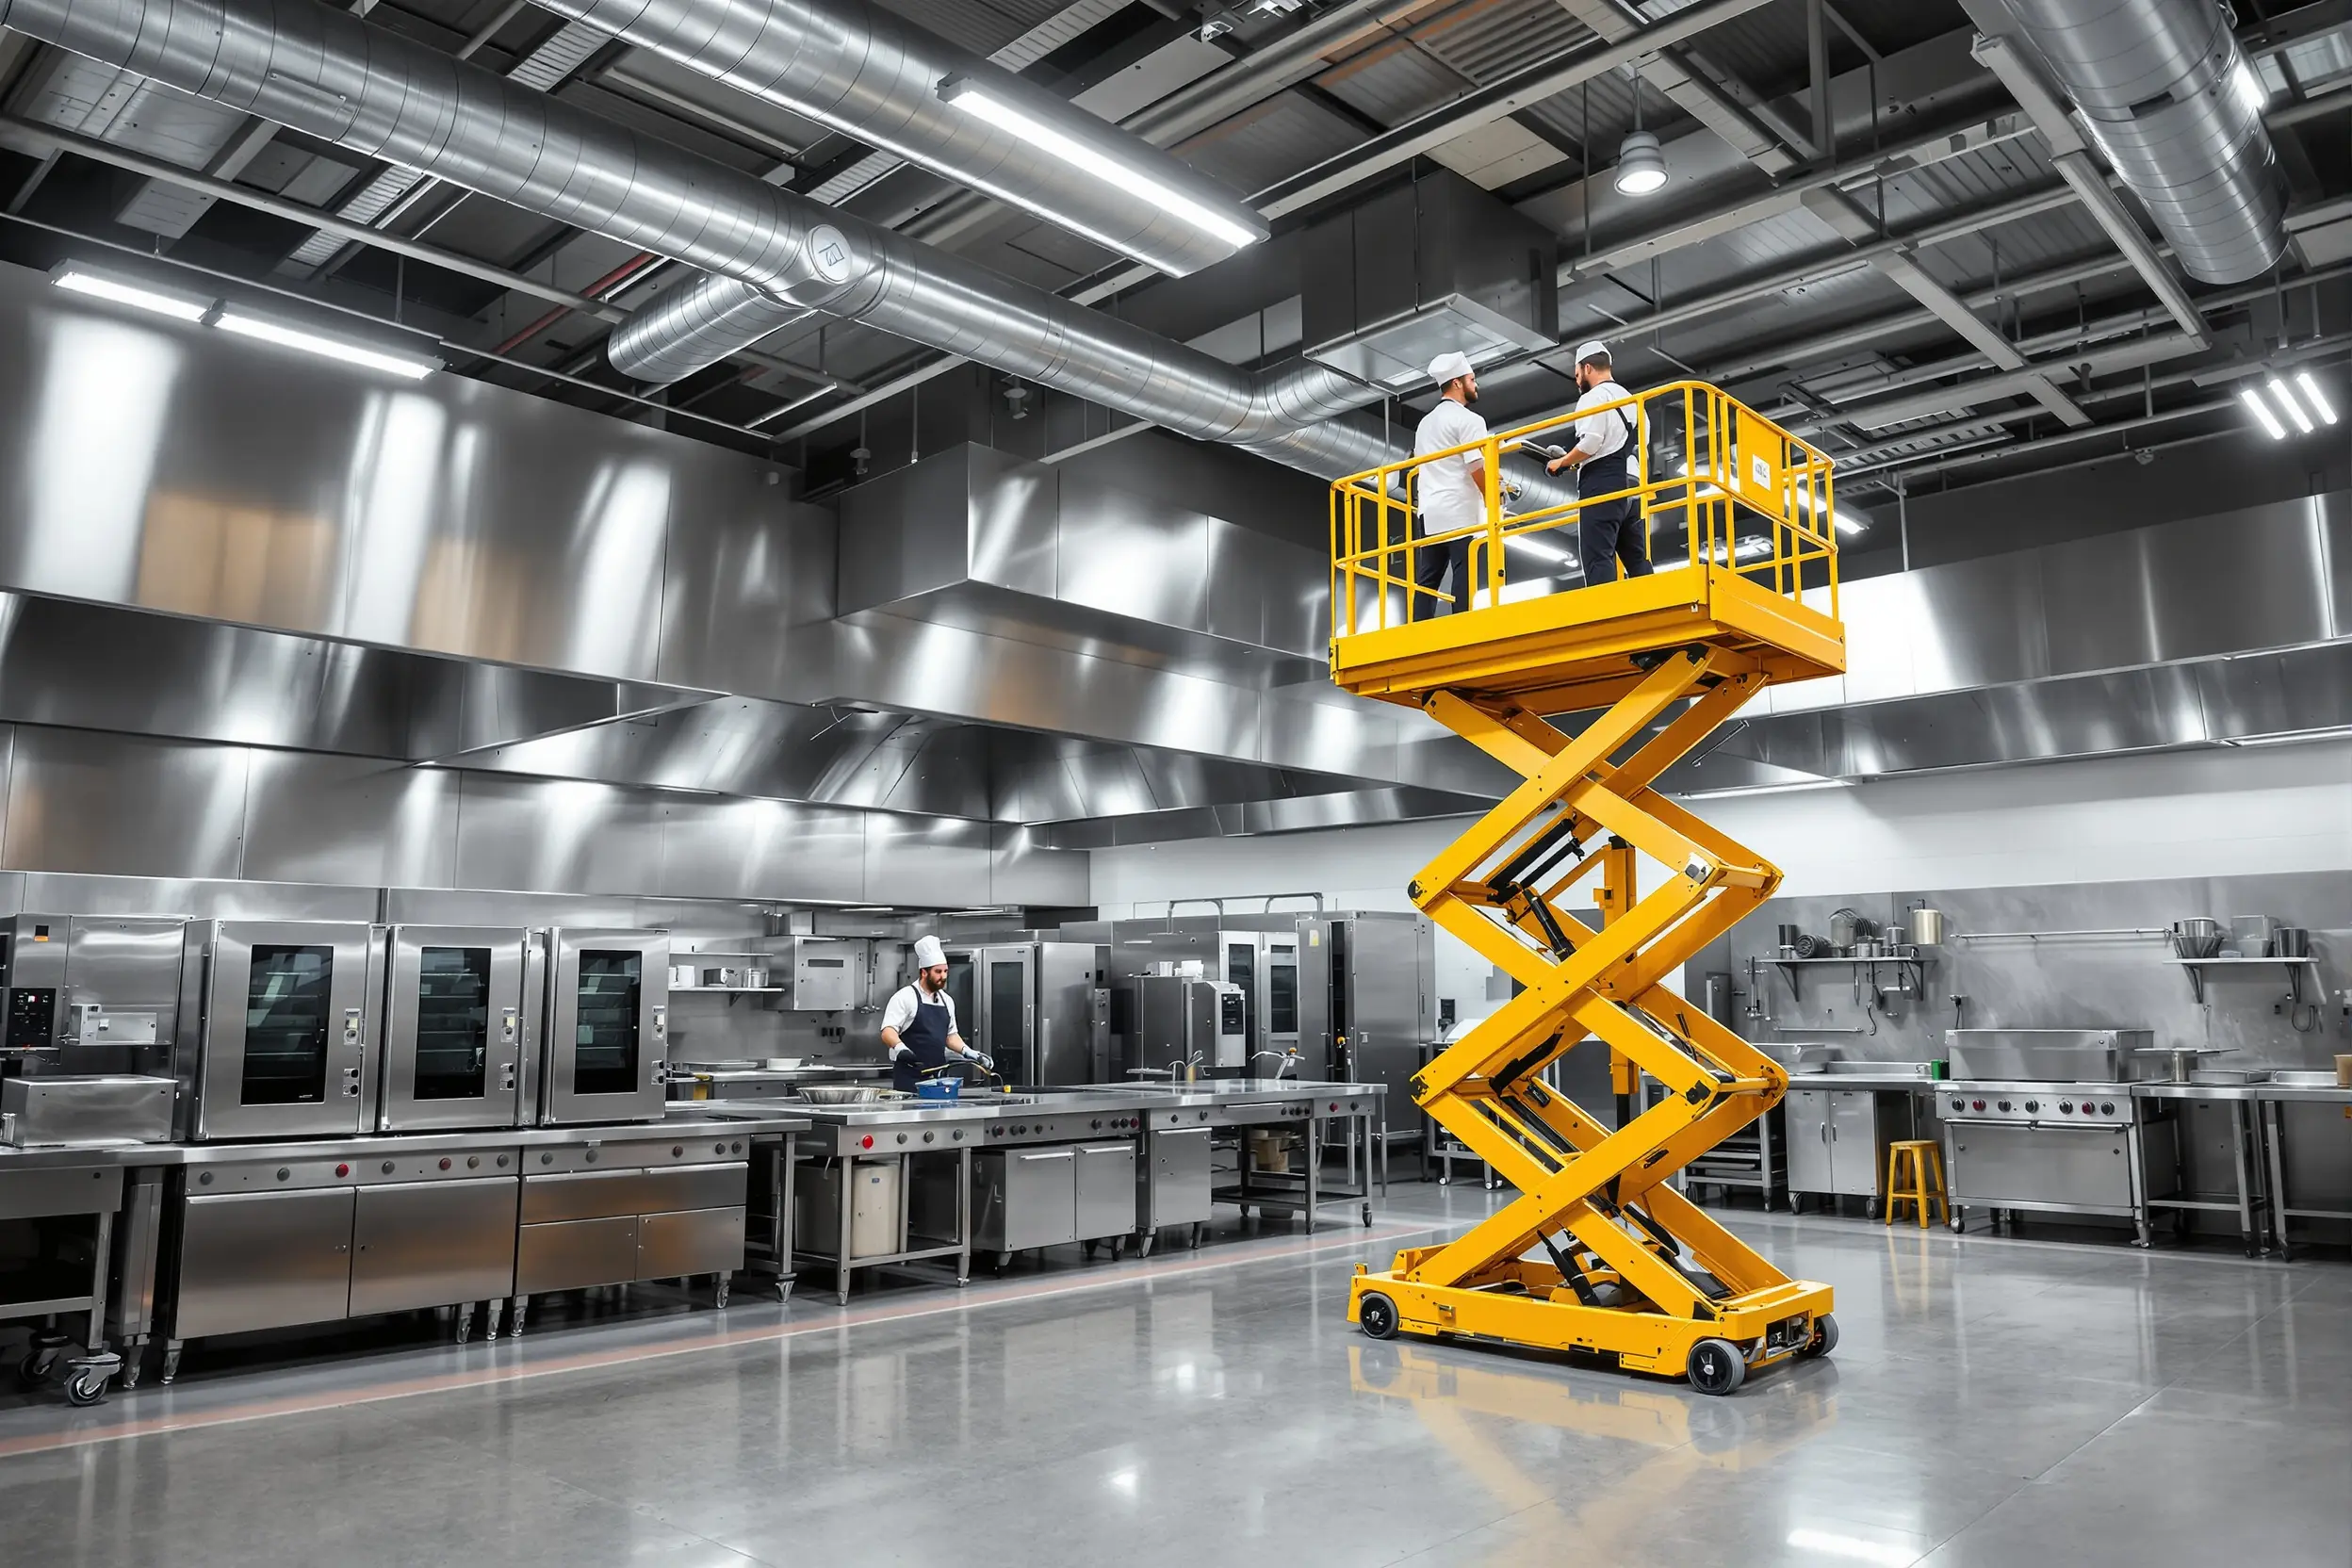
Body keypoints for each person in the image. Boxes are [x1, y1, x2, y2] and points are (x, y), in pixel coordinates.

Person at [1546, 340, 1654, 586]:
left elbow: (1590, 444)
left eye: (1576, 375)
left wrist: (1561, 462)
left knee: (1598, 556)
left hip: (1604, 485)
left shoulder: (1592, 398)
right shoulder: (1635, 402)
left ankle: (1605, 618)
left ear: (1587, 368)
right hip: (1635, 486)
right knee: (1636, 557)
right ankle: (1653, 605)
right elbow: (1638, 448)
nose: (1577, 382)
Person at [1410, 351, 1491, 619]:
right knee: (1464, 571)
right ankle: (1464, 623)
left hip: (1430, 512)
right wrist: (1494, 497)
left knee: (1428, 578)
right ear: (1457, 383)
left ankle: (1418, 629)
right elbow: (1475, 466)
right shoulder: (1470, 420)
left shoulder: (1425, 423)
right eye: (1471, 379)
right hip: (1460, 510)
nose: (1475, 384)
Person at [880, 936, 991, 1091]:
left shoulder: (947, 1001)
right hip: (910, 1078)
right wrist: (900, 1049)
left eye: (946, 971)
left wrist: (968, 1052)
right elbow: (888, 1030)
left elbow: (951, 1035)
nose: (943, 976)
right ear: (924, 972)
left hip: (939, 1078)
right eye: (938, 972)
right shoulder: (905, 997)